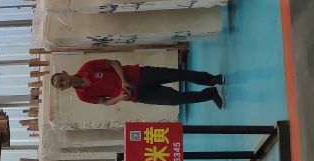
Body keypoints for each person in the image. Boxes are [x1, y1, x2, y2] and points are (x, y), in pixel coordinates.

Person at [50, 59, 224, 109]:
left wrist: (124, 80)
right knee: (174, 100)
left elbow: (114, 63)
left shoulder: (88, 67)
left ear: (65, 73)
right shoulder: (83, 96)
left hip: (140, 75)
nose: (65, 82)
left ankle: (211, 79)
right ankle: (210, 94)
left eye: (62, 79)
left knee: (178, 74)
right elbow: (104, 102)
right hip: (137, 95)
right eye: (61, 85)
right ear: (64, 89)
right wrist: (119, 97)